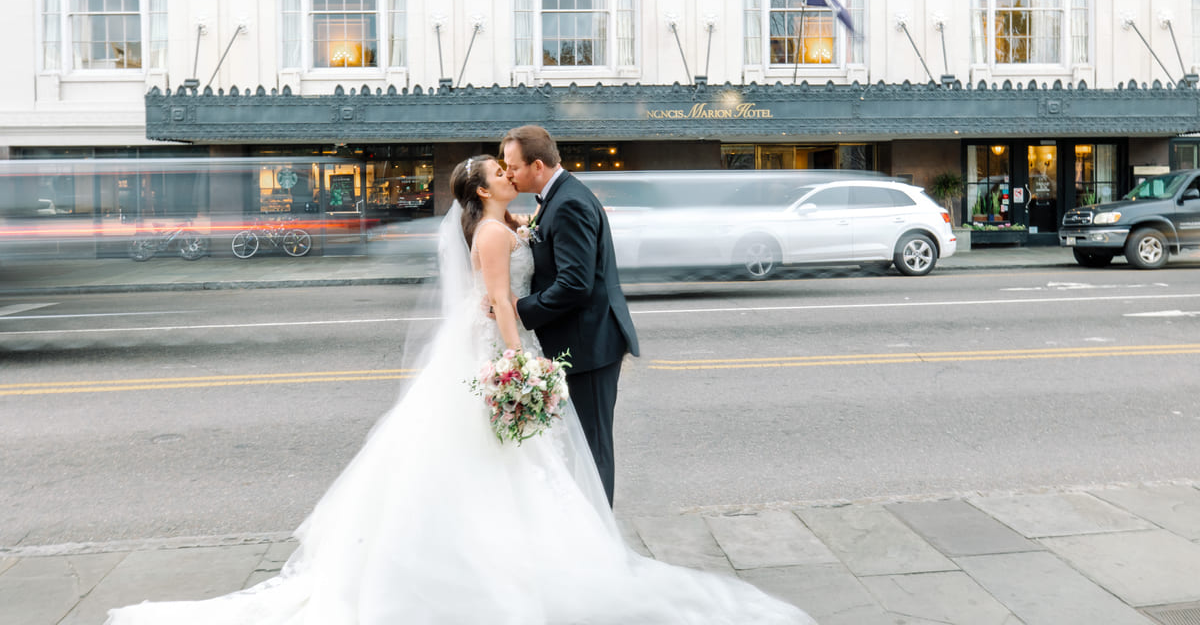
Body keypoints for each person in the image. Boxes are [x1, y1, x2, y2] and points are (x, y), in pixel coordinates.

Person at [103, 155, 814, 624]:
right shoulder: (497, 236)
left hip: (484, 349)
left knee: (503, 465)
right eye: (498, 173)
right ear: (482, 190)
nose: (508, 175)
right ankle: (506, 567)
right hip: (498, 350)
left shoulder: (502, 225)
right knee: (506, 465)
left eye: (510, 167)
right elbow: (503, 303)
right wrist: (519, 365)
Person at [501, 124, 636, 506]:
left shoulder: (569, 202)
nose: (509, 173)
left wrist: (519, 308)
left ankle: (601, 540)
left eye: (513, 166)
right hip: (582, 341)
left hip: (590, 344)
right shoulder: (557, 196)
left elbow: (575, 284)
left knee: (593, 447)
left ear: (538, 165)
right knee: (582, 444)